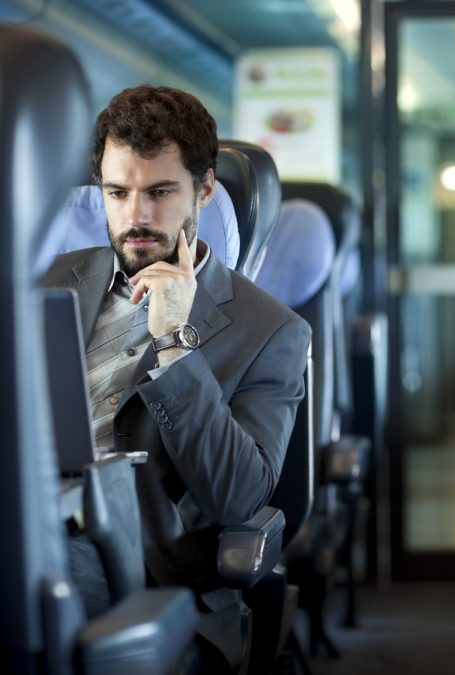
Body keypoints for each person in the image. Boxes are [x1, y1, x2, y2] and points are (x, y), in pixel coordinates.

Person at [40, 85, 310, 666]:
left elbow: (238, 497)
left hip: (147, 574)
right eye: (117, 193)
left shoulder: (269, 330)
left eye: (160, 192)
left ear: (205, 189)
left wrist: (172, 343)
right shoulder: (47, 281)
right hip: (30, 528)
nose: (135, 216)